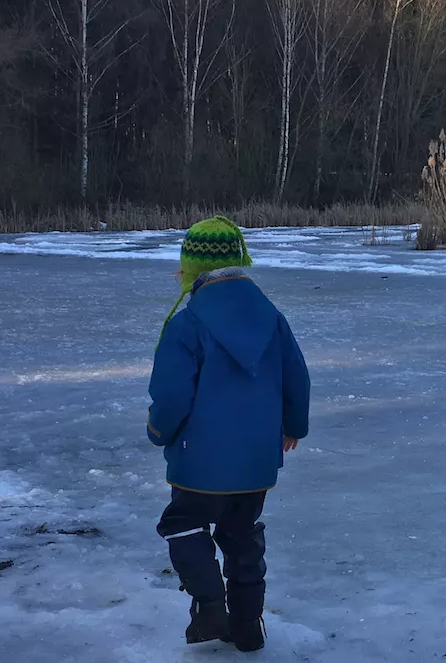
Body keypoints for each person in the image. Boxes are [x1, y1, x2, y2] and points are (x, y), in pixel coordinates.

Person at [146, 216, 311, 652]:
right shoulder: (271, 318)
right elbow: (297, 377)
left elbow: (171, 393)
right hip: (257, 460)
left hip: (199, 461)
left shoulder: (187, 325)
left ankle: (211, 607)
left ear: (193, 270)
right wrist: (294, 426)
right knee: (241, 534)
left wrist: (158, 429)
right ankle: (248, 627)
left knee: (182, 524)